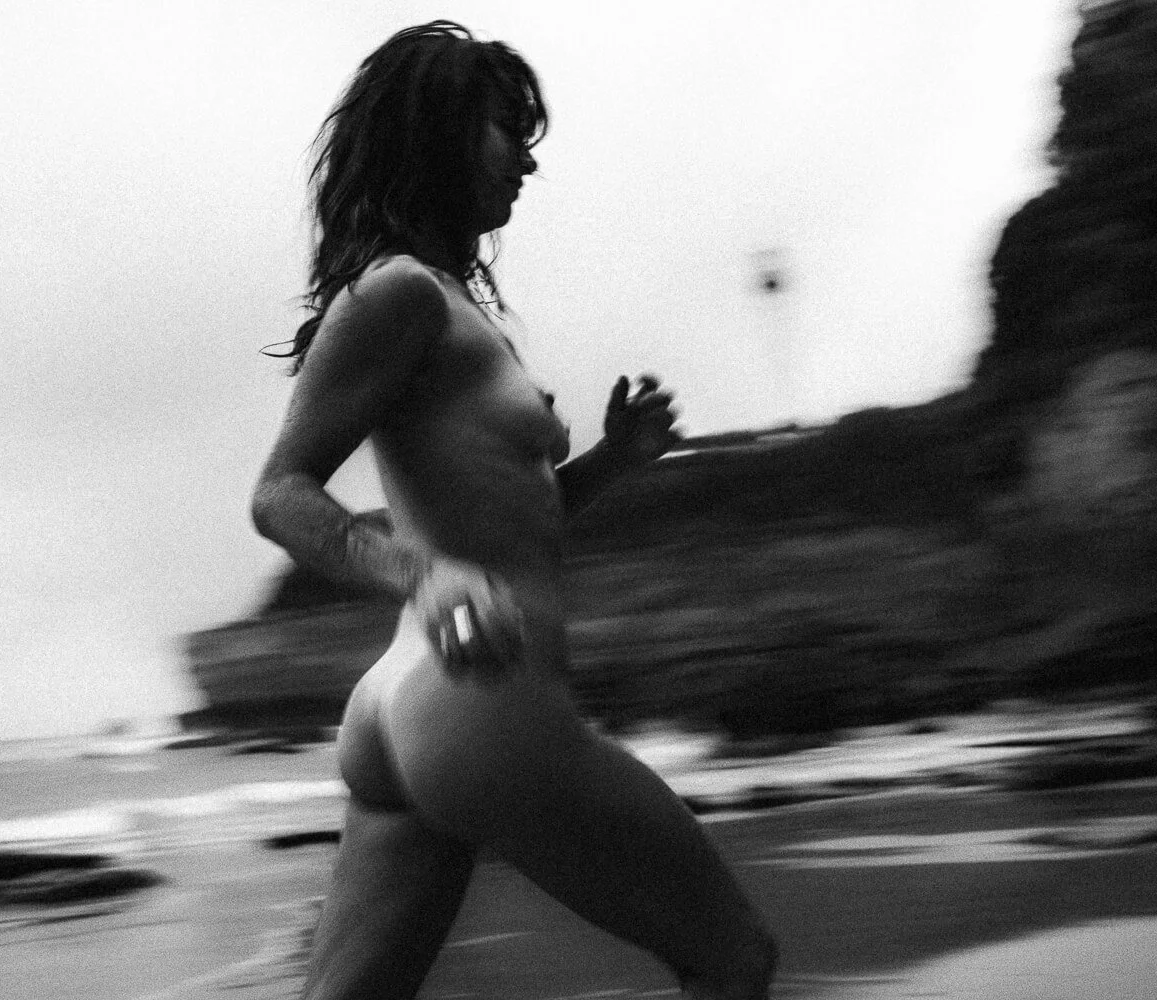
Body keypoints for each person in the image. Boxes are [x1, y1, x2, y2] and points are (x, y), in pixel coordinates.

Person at [251, 21, 778, 1000]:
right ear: (439, 133)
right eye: (506, 131)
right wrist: (425, 575)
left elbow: (510, 524)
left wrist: (614, 462)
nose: (527, 160)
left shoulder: (449, 305)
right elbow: (280, 492)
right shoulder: (399, 294)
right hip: (481, 701)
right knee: (735, 959)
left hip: (417, 706)